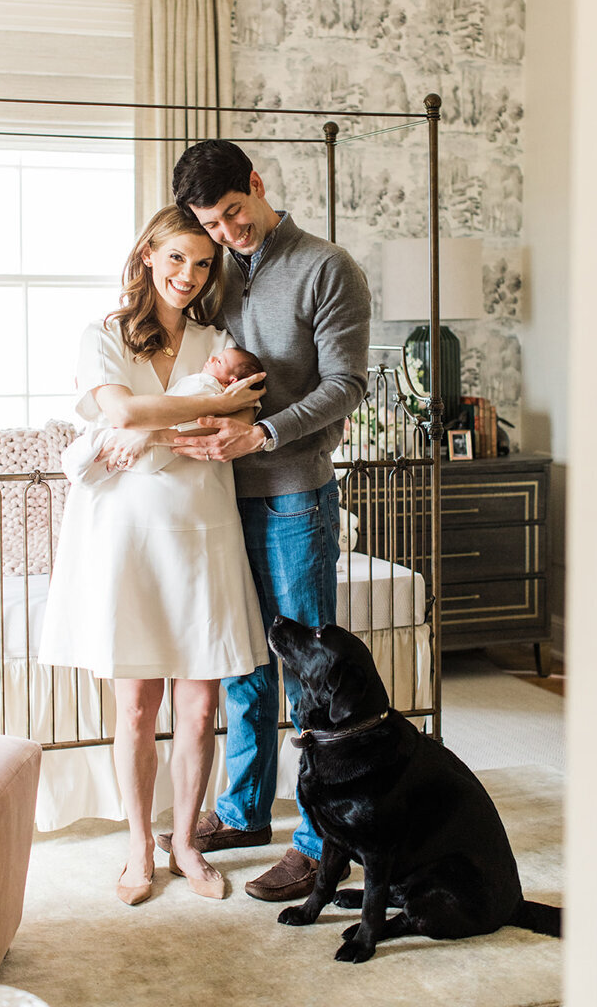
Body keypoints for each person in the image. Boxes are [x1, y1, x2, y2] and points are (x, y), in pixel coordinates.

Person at [155, 138, 371, 903]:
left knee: (309, 669)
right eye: (211, 225)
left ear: (257, 183)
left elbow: (349, 384)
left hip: (292, 494)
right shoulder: (212, 273)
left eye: (233, 215)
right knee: (245, 660)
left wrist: (265, 433)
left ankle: (319, 844)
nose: (224, 234)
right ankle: (244, 812)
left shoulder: (327, 267)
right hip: (218, 498)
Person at [38, 206, 269, 906]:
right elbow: (121, 414)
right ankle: (138, 846)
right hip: (128, 533)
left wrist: (154, 424)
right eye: (176, 259)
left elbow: (247, 412)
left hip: (201, 525)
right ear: (147, 255)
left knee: (200, 709)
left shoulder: (218, 337)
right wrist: (178, 419)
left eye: (202, 265)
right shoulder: (104, 335)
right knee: (137, 707)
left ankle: (186, 844)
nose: (189, 276)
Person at [60, 347, 264, 484]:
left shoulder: (205, 385)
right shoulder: (213, 393)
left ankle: (75, 463)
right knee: (103, 457)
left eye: (219, 361)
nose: (211, 358)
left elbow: (175, 411)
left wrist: (151, 433)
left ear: (231, 381)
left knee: (96, 446)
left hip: (154, 447)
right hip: (156, 458)